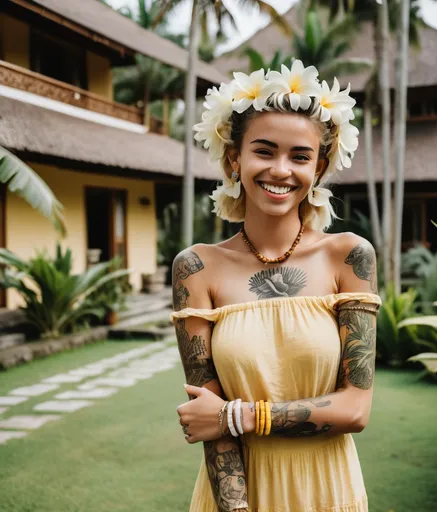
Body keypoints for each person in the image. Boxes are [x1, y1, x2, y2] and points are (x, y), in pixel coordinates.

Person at [171, 60, 381, 512]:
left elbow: (355, 410)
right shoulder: (196, 268)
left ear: (319, 166)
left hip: (328, 490)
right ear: (235, 158)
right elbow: (210, 426)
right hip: (236, 496)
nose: (281, 170)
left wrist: (239, 416)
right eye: (264, 151)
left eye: (300, 156)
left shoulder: (349, 257)